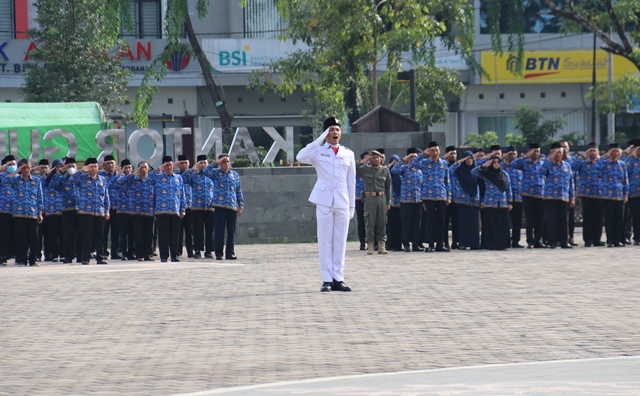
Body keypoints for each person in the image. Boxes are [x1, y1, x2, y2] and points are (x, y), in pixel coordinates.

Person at [296, 117, 355, 292]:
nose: (335, 133)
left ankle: (339, 278)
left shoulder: (348, 153)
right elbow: (300, 156)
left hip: (342, 200)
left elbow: (351, 182)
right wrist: (318, 140)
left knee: (340, 241)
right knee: (325, 240)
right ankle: (327, 279)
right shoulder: (318, 151)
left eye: (337, 129)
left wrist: (352, 205)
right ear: (324, 133)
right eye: (330, 130)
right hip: (324, 200)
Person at [1, 159, 44, 266]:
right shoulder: (16, 179)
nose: (26, 170)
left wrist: (40, 213)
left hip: (32, 213)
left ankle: (33, 260)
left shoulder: (36, 180)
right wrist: (17, 171)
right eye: (23, 168)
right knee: (21, 238)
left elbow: (40, 198)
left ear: (31, 168)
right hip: (19, 213)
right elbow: (5, 181)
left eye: (27, 168)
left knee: (34, 238)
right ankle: (21, 259)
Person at [411, 141, 451, 252]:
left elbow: (447, 180)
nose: (435, 152)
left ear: (440, 151)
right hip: (428, 196)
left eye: (436, 150)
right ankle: (431, 244)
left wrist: (449, 196)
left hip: (441, 195)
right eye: (432, 150)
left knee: (441, 221)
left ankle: (440, 244)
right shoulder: (424, 162)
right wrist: (422, 154)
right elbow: (413, 164)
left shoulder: (444, 163)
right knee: (430, 221)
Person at [205, 154, 244, 260]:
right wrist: (215, 162)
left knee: (231, 231)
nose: (226, 164)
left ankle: (230, 253)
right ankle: (218, 253)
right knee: (219, 231)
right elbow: (205, 171)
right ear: (220, 163)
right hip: (219, 206)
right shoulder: (215, 173)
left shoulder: (234, 175)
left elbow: (238, 190)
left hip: (231, 206)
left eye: (228, 161)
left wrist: (240, 205)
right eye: (224, 161)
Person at [148, 156, 187, 262]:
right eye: (167, 165)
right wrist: (159, 168)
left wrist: (183, 209)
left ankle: (175, 255)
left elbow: (182, 194)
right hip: (161, 210)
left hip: (175, 210)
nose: (169, 167)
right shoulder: (158, 178)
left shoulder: (178, 178)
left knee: (175, 235)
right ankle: (164, 255)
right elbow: (148, 179)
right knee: (163, 235)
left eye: (170, 165)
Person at [72, 158, 110, 265]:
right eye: (91, 166)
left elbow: (106, 196)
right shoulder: (82, 178)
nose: (94, 168)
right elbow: (72, 180)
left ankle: (100, 257)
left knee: (100, 236)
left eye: (95, 166)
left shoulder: (102, 179)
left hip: (99, 211)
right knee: (86, 236)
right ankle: (85, 258)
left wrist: (107, 211)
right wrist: (81, 171)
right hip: (86, 212)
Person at [472, 155, 512, 250]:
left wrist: (510, 202)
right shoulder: (486, 174)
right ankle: (490, 245)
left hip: (502, 203)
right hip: (489, 202)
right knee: (490, 225)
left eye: (498, 162)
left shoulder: (505, 174)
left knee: (502, 224)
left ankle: (502, 245)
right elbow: (472, 172)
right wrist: (484, 165)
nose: (496, 164)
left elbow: (508, 189)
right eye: (494, 162)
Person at [540, 142, 575, 249]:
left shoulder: (567, 165)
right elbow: (541, 172)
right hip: (550, 196)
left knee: (564, 220)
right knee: (551, 220)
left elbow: (571, 182)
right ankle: (552, 241)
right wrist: (550, 159)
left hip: (563, 196)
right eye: (556, 152)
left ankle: (564, 241)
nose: (559, 154)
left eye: (560, 152)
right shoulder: (547, 164)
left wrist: (572, 197)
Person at [512, 143, 546, 248]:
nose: (536, 153)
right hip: (528, 194)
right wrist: (525, 156)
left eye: (538, 151)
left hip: (541, 194)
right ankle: (530, 241)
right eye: (534, 151)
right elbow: (513, 164)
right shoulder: (525, 163)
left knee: (540, 220)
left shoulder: (543, 163)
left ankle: (538, 240)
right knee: (529, 220)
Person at [357, 150, 391, 254]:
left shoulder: (385, 170)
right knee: (369, 222)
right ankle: (370, 245)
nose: (376, 159)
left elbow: (388, 187)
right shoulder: (365, 170)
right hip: (369, 198)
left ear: (381, 159)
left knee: (382, 222)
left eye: (378, 157)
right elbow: (354, 167)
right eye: (374, 157)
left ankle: (381, 245)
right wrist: (365, 160)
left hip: (381, 198)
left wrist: (388, 202)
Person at [571, 142, 605, 247]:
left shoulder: (602, 162)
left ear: (598, 151)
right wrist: (582, 156)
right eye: (591, 150)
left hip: (600, 193)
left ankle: (597, 239)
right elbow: (573, 167)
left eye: (594, 150)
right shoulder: (583, 163)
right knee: (588, 218)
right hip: (586, 194)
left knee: (598, 218)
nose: (593, 153)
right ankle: (588, 239)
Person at [391, 148, 423, 252]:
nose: (413, 159)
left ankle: (415, 244)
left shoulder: (420, 170)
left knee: (416, 224)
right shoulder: (404, 168)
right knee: (406, 223)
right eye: (411, 157)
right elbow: (393, 170)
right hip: (405, 200)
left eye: (415, 157)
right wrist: (403, 160)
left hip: (417, 200)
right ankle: (405, 244)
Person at [49, 157, 80, 263]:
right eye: (69, 166)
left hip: (81, 210)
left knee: (81, 234)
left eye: (73, 166)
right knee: (68, 234)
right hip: (67, 210)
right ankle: (68, 256)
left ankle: (81, 255)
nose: (71, 168)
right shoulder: (62, 179)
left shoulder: (81, 178)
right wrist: (60, 173)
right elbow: (52, 185)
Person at [185, 154, 215, 259]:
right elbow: (183, 179)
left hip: (210, 206)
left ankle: (209, 251)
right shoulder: (193, 175)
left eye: (205, 163)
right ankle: (197, 250)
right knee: (197, 230)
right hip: (196, 207)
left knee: (210, 230)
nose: (203, 165)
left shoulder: (212, 175)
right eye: (201, 163)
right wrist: (191, 169)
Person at [598, 143, 629, 247]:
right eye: (614, 151)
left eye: (617, 151)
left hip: (619, 195)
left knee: (619, 220)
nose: (616, 153)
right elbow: (598, 166)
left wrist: (625, 194)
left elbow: (625, 180)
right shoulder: (605, 163)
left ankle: (617, 240)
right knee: (609, 219)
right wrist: (606, 155)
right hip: (608, 195)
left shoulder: (622, 164)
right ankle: (610, 240)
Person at [450, 151, 481, 250]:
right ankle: (462, 243)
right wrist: (460, 161)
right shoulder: (459, 171)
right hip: (462, 200)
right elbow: (450, 171)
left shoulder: (475, 171)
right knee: (463, 223)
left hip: (474, 200)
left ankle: (474, 244)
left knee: (474, 223)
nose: (469, 160)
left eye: (471, 158)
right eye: (467, 158)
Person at [42, 158, 64, 262]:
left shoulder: (65, 177)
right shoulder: (47, 178)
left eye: (61, 166)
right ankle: (53, 254)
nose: (59, 168)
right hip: (50, 211)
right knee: (52, 234)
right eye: (57, 166)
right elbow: (45, 185)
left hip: (63, 209)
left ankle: (63, 253)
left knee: (63, 233)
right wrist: (49, 174)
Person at [99, 155, 120, 259]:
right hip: (105, 207)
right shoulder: (101, 176)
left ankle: (115, 252)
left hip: (116, 207)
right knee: (103, 231)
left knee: (116, 232)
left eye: (112, 163)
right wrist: (99, 167)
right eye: (108, 163)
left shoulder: (121, 175)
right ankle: (102, 252)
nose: (110, 165)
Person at [502, 146, 524, 248]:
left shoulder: (521, 167)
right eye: (510, 154)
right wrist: (503, 157)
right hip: (505, 198)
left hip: (518, 197)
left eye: (514, 154)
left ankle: (515, 240)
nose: (513, 156)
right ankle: (505, 240)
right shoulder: (502, 166)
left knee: (517, 221)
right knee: (505, 221)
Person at [116, 159, 135, 260]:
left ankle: (131, 252)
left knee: (132, 233)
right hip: (122, 210)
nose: (128, 169)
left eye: (129, 167)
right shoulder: (119, 178)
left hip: (133, 209)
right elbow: (116, 184)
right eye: (126, 168)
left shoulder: (135, 178)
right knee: (123, 233)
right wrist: (121, 173)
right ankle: (123, 251)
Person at [177, 154, 194, 258]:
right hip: (178, 207)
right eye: (181, 163)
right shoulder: (175, 175)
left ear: (189, 163)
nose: (183, 165)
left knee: (190, 230)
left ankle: (191, 251)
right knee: (178, 231)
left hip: (191, 206)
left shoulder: (194, 175)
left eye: (185, 163)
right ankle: (177, 251)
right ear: (178, 164)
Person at [0, 155, 17, 265]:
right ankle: (3, 256)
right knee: (4, 234)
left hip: (17, 210)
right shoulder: (1, 176)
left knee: (16, 234)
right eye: (9, 164)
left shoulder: (19, 177)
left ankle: (17, 255)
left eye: (13, 164)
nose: (12, 166)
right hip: (3, 210)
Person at [623, 140, 640, 245]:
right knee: (635, 216)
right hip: (633, 192)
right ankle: (636, 237)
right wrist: (628, 154)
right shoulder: (630, 160)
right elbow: (623, 169)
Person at [386, 154, 403, 252]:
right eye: (393, 161)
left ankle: (399, 244)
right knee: (391, 225)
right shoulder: (387, 172)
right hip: (390, 202)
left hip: (400, 202)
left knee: (399, 225)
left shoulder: (400, 172)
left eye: (397, 161)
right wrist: (391, 164)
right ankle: (391, 243)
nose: (395, 163)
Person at [443, 146, 458, 249]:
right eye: (451, 153)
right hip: (445, 198)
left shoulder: (459, 165)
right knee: (444, 221)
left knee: (457, 221)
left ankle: (456, 242)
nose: (453, 155)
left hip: (457, 197)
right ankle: (445, 242)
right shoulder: (442, 164)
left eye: (455, 153)